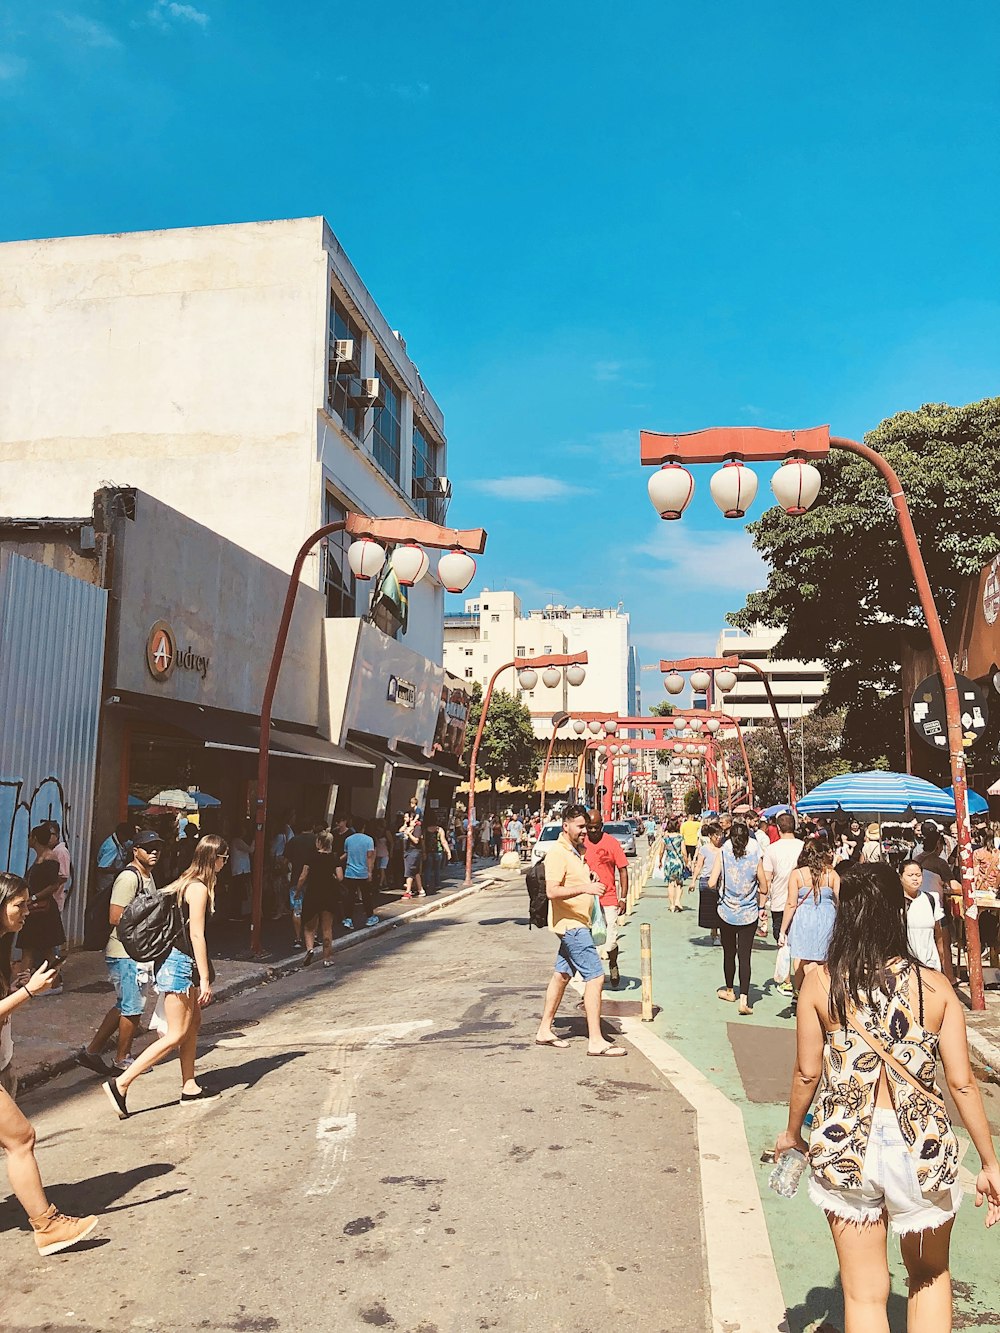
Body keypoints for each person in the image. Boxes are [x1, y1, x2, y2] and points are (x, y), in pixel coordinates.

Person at [775, 862, 1000, 1333]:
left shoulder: (820, 982)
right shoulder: (936, 988)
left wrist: (792, 1133)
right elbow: (961, 1083)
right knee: (929, 1274)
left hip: (845, 1142)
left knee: (862, 1293)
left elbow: (806, 1072)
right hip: (922, 1145)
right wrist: (989, 1161)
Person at [0, 872, 100, 1253]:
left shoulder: (4, 946)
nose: (28, 911)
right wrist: (27, 991)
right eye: (19, 905)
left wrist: (15, 986)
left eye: (28, 903)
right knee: (20, 1137)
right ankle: (47, 1225)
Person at [103, 835, 228, 1118]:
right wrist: (206, 979)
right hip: (180, 964)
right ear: (215, 858)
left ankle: (190, 1086)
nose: (224, 864)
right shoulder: (197, 888)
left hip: (180, 963)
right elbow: (196, 933)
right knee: (177, 1033)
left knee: (192, 1024)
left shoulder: (187, 881)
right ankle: (120, 1083)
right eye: (224, 858)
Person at [534, 805, 625, 1057]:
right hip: (571, 925)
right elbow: (552, 891)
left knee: (561, 975)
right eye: (581, 827)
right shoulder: (558, 854)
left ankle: (544, 1029)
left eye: (586, 826)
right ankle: (595, 1040)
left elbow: (574, 881)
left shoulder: (575, 852)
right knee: (595, 978)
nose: (585, 831)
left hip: (577, 922)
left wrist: (589, 878)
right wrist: (586, 888)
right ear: (566, 826)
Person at [77, 829, 163, 1077]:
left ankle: (91, 1052)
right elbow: (115, 916)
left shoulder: (148, 876)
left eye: (157, 847)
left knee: (124, 1004)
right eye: (148, 848)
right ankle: (122, 1059)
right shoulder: (129, 877)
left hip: (136, 951)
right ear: (136, 851)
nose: (154, 852)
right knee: (133, 1007)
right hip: (124, 952)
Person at [708, 820, 765, 1015]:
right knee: (745, 957)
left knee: (729, 953)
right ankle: (745, 1000)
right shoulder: (754, 856)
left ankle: (730, 990)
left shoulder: (723, 853)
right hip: (749, 913)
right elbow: (764, 886)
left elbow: (711, 882)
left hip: (726, 911)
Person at [779, 838, 839, 993]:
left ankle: (801, 993)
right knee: (825, 960)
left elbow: (791, 904)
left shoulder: (797, 874)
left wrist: (783, 930)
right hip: (828, 918)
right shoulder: (831, 874)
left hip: (804, 919)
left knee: (801, 959)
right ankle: (822, 992)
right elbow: (840, 901)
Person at [582, 812, 629, 988]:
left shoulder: (611, 843)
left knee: (610, 940)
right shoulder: (581, 842)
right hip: (586, 897)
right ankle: (594, 975)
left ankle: (613, 962)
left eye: (596, 827)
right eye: (589, 828)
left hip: (609, 897)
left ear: (602, 826)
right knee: (587, 939)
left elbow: (623, 870)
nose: (593, 831)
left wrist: (623, 897)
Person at [16, 825, 66, 983]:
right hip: (36, 911)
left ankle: (49, 982)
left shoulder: (49, 857)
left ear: (35, 838)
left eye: (31, 836)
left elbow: (53, 884)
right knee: (37, 949)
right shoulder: (42, 857)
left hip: (42, 911)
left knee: (37, 949)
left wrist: (34, 898)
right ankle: (44, 982)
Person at [295, 829, 340, 966]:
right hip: (329, 895)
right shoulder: (334, 858)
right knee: (327, 928)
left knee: (309, 926)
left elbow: (303, 876)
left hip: (312, 894)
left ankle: (310, 949)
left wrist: (297, 891)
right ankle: (327, 959)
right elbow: (340, 877)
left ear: (319, 842)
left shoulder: (311, 857)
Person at [761, 812, 805, 946]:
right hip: (802, 902)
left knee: (782, 943)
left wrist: (761, 906)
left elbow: (766, 879)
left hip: (779, 901)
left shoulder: (771, 849)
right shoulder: (804, 846)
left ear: (778, 828)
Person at [897, 859, 948, 972]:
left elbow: (938, 933)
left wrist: (941, 959)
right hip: (905, 966)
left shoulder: (931, 899)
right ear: (900, 876)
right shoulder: (895, 902)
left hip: (931, 963)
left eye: (918, 875)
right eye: (910, 875)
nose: (915, 878)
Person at [284, 822, 325, 950]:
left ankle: (297, 938)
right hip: (314, 880)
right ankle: (315, 935)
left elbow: (285, 860)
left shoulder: (293, 841)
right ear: (312, 827)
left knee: (297, 910)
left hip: (296, 878)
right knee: (314, 909)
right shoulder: (317, 841)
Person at [342, 818, 378, 929]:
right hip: (363, 872)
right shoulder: (369, 840)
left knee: (350, 896)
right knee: (366, 896)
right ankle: (370, 917)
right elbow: (369, 857)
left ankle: (348, 919)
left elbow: (346, 854)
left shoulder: (348, 839)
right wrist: (370, 872)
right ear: (363, 827)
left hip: (350, 871)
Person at [691, 823, 724, 942]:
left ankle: (719, 932)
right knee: (711, 909)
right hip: (706, 880)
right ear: (710, 835)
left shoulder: (723, 849)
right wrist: (693, 881)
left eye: (721, 834)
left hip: (721, 881)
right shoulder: (704, 849)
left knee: (721, 906)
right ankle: (715, 933)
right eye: (716, 835)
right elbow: (699, 865)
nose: (719, 837)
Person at [95, 821, 135, 893]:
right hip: (106, 883)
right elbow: (102, 868)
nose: (127, 840)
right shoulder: (112, 847)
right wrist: (121, 870)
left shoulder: (121, 841)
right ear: (120, 834)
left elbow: (131, 844)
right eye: (127, 837)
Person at [659, 816, 687, 912]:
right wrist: (687, 862)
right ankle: (677, 901)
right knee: (679, 883)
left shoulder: (665, 838)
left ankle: (671, 905)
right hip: (678, 862)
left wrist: (659, 861)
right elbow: (684, 852)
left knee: (670, 884)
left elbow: (661, 851)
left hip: (669, 862)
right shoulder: (680, 837)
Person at [227, 824, 252, 920]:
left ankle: (239, 912)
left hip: (239, 869)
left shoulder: (235, 841)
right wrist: (255, 839)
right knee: (239, 891)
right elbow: (250, 849)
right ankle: (237, 913)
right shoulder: (237, 841)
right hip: (240, 869)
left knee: (239, 891)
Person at [422, 813, 451, 892]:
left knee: (428, 868)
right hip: (438, 850)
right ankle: (437, 884)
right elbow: (443, 841)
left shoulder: (426, 829)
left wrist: (424, 851)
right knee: (437, 869)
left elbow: (423, 841)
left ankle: (427, 883)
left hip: (428, 851)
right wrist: (448, 851)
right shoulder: (439, 829)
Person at [401, 810, 424, 900]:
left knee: (409, 871)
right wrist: (407, 825)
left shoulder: (417, 828)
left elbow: (416, 840)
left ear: (411, 818)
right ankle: (420, 889)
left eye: (406, 817)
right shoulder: (408, 826)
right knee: (416, 871)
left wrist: (409, 833)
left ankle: (408, 891)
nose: (405, 818)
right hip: (408, 851)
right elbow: (400, 830)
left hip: (413, 851)